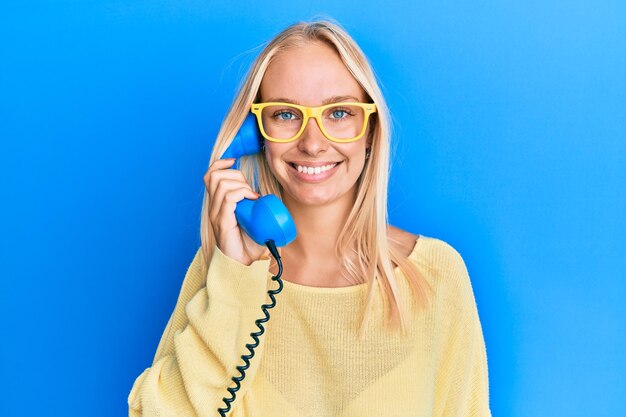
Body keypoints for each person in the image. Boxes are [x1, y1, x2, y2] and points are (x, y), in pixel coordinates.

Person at [128, 20, 491, 417]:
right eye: (285, 115)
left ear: (369, 130)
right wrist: (235, 276)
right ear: (256, 133)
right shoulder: (224, 270)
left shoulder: (437, 275)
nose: (313, 143)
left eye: (338, 113)